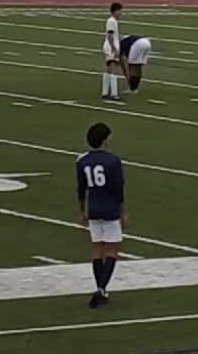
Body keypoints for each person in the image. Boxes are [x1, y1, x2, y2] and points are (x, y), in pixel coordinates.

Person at [76, 122, 126, 309]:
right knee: (111, 251)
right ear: (104, 140)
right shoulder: (113, 161)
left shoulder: (82, 161)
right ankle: (101, 288)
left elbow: (81, 189)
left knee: (97, 250)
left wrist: (82, 210)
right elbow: (118, 188)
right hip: (110, 208)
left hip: (93, 208)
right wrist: (122, 210)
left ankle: (101, 289)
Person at [102, 3, 123, 100]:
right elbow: (110, 35)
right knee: (114, 68)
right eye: (119, 11)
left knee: (109, 68)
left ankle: (105, 92)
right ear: (115, 11)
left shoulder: (112, 21)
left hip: (110, 46)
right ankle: (114, 94)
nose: (121, 13)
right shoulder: (111, 21)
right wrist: (114, 49)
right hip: (111, 47)